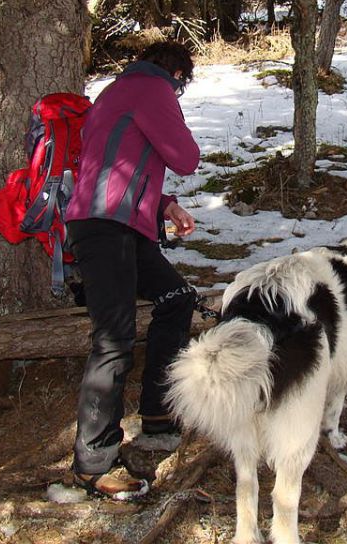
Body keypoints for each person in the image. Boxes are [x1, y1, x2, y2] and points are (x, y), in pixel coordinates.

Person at [64, 40, 200, 500]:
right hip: (108, 229)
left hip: (114, 224)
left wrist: (164, 205)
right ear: (176, 72)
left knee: (176, 299)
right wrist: (172, 108)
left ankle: (159, 414)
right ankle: (93, 463)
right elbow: (185, 156)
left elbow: (113, 165)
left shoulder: (116, 91)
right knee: (113, 341)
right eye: (183, 83)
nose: (180, 91)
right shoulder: (152, 89)